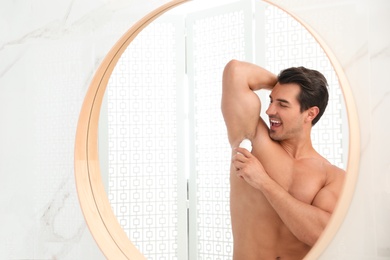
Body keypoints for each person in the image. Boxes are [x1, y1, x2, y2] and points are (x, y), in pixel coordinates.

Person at [221, 60, 345, 260]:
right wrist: (282, 85)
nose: (269, 111)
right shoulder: (253, 137)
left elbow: (320, 234)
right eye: (271, 100)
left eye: (282, 104)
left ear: (310, 113)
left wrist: (264, 182)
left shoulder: (331, 176)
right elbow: (236, 71)